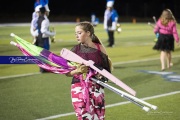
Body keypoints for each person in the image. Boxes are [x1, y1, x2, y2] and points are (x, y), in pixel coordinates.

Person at [65, 21, 112, 120]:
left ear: (88, 33)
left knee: (99, 117)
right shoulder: (75, 51)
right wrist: (78, 71)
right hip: (78, 87)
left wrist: (101, 75)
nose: (76, 36)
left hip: (96, 87)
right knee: (83, 116)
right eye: (75, 33)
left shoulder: (100, 48)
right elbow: (67, 72)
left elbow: (107, 70)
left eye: (79, 33)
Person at [36, 6, 56, 73]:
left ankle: (42, 68)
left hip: (39, 38)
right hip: (44, 39)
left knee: (41, 53)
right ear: (45, 12)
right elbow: (43, 30)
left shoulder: (38, 18)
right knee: (45, 54)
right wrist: (52, 34)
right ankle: (43, 69)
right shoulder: (45, 20)